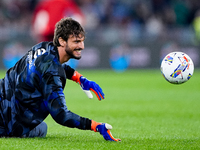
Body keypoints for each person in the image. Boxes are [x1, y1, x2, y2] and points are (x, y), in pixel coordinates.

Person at [0, 17, 121, 141]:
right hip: (6, 121)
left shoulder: (43, 47)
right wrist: (96, 126)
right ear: (62, 41)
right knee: (41, 128)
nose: (82, 46)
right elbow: (61, 115)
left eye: (82, 41)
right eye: (76, 41)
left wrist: (81, 79)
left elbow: (57, 66)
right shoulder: (52, 74)